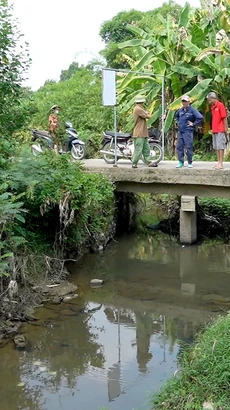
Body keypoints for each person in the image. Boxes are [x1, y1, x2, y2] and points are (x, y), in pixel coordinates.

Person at [176, 95, 204, 168]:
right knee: (179, 147)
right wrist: (179, 123)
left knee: (188, 146)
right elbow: (177, 116)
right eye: (183, 101)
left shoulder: (192, 110)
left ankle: (189, 162)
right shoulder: (180, 110)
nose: (184, 103)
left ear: (188, 101)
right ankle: (181, 162)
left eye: (185, 101)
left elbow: (200, 117)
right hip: (181, 131)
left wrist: (193, 124)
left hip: (188, 131)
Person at [132, 95, 157, 169]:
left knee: (146, 148)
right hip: (139, 133)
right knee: (138, 149)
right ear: (141, 102)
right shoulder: (138, 109)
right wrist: (147, 113)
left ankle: (149, 162)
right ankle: (134, 162)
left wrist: (146, 112)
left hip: (143, 132)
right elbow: (148, 116)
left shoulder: (140, 108)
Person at [207, 92, 228, 169]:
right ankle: (218, 162)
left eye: (210, 100)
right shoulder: (213, 107)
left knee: (220, 146)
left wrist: (226, 128)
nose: (209, 102)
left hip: (220, 129)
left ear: (214, 98)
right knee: (216, 147)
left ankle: (221, 163)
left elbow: (224, 117)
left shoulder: (220, 105)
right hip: (215, 129)